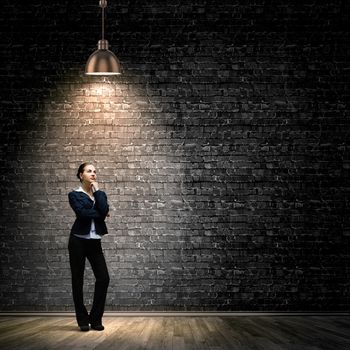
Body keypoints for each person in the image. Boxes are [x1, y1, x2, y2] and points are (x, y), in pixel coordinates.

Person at [68, 162, 110, 332]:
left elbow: (104, 208)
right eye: (89, 171)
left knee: (104, 278)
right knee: (77, 280)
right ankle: (82, 320)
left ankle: (95, 318)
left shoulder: (100, 194)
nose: (93, 174)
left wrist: (98, 193)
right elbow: (83, 214)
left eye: (94, 171)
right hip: (77, 241)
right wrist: (101, 213)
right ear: (81, 175)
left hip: (94, 242)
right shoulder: (74, 195)